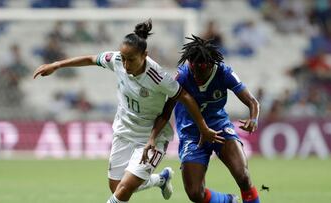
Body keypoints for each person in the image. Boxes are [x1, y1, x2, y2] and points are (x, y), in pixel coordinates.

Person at [33, 20, 225, 203]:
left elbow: (186, 97)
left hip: (152, 138)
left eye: (131, 60)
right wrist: (56, 65)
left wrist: (203, 127)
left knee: (123, 191)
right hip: (124, 132)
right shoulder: (117, 59)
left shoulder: (158, 77)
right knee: (116, 187)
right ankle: (161, 179)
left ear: (144, 55)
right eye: (123, 59)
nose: (125, 65)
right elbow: (91, 59)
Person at [142, 35, 261, 203]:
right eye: (193, 69)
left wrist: (253, 119)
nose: (196, 75)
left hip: (219, 128)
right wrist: (152, 138)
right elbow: (166, 111)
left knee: (243, 176)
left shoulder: (224, 73)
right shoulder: (182, 77)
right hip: (191, 134)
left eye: (201, 70)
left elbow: (252, 101)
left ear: (211, 65)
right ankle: (228, 201)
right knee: (195, 194)